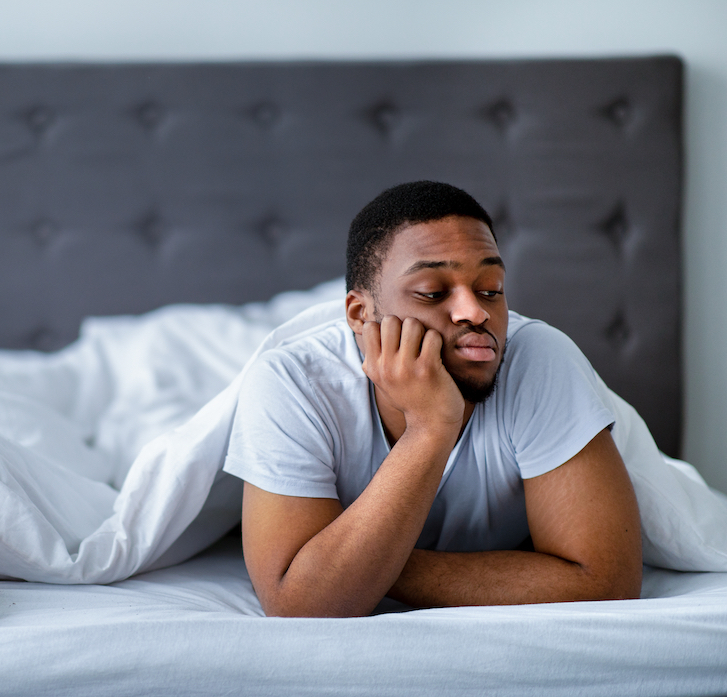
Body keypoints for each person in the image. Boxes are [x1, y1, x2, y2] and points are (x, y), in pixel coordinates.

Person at [224, 181, 643, 618]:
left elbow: (606, 583)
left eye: (490, 288)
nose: (475, 312)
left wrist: (353, 567)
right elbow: (299, 606)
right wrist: (430, 427)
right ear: (359, 314)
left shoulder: (539, 359)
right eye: (432, 292)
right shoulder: (294, 382)